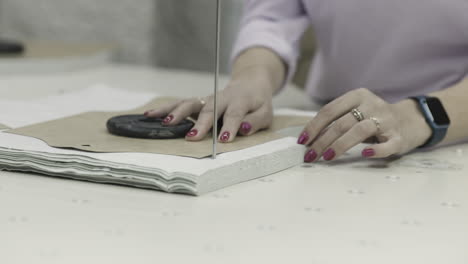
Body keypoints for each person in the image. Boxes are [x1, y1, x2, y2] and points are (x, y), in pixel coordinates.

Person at [145, 0, 468, 163]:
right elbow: (273, 14)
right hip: (330, 126)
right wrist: (252, 77)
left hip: (449, 135)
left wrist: (419, 117)